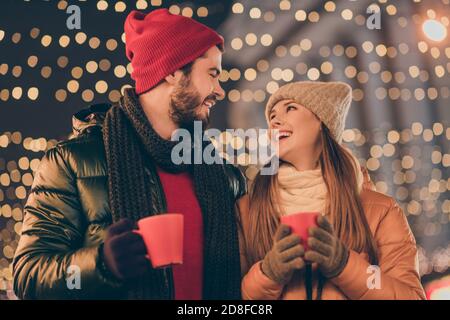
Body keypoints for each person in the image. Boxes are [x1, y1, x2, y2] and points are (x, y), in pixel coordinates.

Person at [13, 9, 245, 300]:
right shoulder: (72, 162)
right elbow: (27, 275)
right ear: (173, 71)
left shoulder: (224, 175)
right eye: (212, 74)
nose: (219, 90)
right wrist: (101, 264)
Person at [238, 81, 426, 300]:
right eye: (272, 116)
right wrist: (267, 274)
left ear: (321, 120)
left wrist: (345, 265)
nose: (275, 121)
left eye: (290, 108)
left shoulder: (380, 210)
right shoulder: (247, 210)